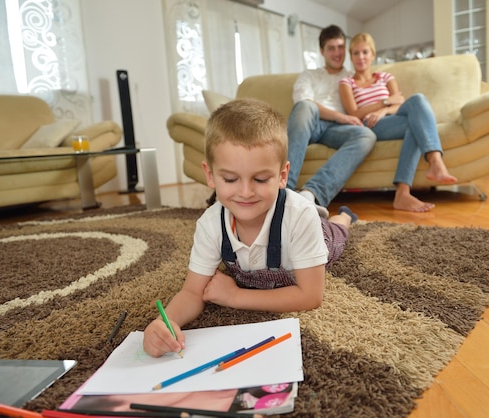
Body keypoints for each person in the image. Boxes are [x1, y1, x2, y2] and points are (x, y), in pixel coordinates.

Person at [143, 98, 357, 358]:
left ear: (282, 175)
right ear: (209, 175)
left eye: (260, 179)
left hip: (313, 230)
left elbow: (311, 296)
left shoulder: (299, 219)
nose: (245, 192)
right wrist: (166, 322)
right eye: (231, 179)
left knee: (338, 238)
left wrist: (236, 296)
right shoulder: (210, 224)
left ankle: (342, 218)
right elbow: (192, 291)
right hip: (295, 218)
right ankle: (315, 204)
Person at [339, 32, 458, 212]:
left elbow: (400, 103)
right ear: (351, 56)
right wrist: (385, 102)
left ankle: (403, 193)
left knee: (417, 101)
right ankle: (435, 163)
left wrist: (383, 111)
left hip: (390, 118)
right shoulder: (347, 82)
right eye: (356, 53)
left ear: (372, 54)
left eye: (364, 52)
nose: (361, 57)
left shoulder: (385, 77)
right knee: (416, 121)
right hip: (370, 126)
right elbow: (354, 112)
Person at [287, 24, 377, 217]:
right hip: (308, 123)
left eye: (340, 47)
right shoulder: (308, 75)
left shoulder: (352, 78)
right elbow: (304, 103)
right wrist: (341, 116)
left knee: (367, 136)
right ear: (321, 51)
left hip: (336, 130)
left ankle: (310, 194)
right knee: (305, 106)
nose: (337, 53)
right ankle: (283, 191)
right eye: (331, 48)